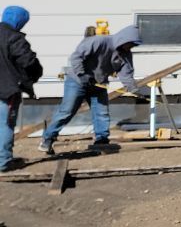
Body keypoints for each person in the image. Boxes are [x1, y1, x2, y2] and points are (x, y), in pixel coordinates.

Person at [39, 23, 141, 155]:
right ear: (124, 39)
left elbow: (126, 74)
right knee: (67, 111)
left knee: (102, 113)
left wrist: (133, 89)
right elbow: (76, 57)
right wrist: (82, 74)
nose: (131, 47)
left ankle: (101, 140)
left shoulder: (126, 55)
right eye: (131, 44)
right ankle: (48, 139)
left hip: (98, 83)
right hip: (77, 81)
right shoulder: (99, 41)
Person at [0, 6, 43, 172]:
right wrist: (34, 75)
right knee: (5, 125)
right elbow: (29, 62)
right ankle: (3, 162)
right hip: (6, 90)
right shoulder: (13, 37)